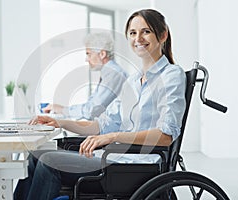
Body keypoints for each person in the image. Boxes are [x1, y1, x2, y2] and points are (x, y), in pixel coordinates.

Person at [14, 9, 186, 200]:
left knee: (48, 162)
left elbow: (165, 136)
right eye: (133, 33)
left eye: (146, 31)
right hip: (116, 159)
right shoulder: (133, 80)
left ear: (162, 35)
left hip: (138, 166)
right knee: (36, 154)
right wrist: (59, 122)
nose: (138, 38)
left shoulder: (171, 75)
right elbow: (100, 124)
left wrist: (112, 137)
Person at [42, 32, 128, 120]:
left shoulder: (114, 74)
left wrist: (62, 110)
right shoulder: (108, 73)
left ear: (102, 54)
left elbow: (92, 110)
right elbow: (91, 104)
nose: (86, 59)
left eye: (88, 54)